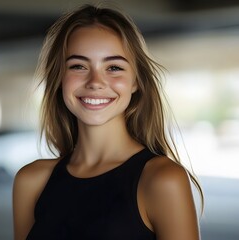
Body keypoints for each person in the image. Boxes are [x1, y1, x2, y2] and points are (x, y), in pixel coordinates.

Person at [13, 3, 203, 240]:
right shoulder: (31, 181)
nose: (95, 81)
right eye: (78, 66)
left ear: (135, 82)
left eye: (114, 67)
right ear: (60, 78)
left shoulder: (162, 180)